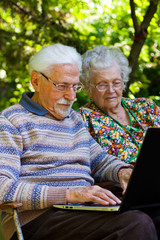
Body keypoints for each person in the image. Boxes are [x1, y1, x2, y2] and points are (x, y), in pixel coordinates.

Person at [0, 43, 158, 240]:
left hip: (82, 210)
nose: (72, 96)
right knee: (135, 224)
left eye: (75, 86)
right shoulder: (10, 121)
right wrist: (69, 194)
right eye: (62, 86)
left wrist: (122, 171)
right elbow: (2, 188)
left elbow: (99, 159)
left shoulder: (73, 119)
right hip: (37, 219)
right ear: (36, 81)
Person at [78, 45, 160, 164]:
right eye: (102, 84)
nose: (111, 90)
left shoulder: (146, 107)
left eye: (116, 83)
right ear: (87, 88)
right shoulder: (83, 119)